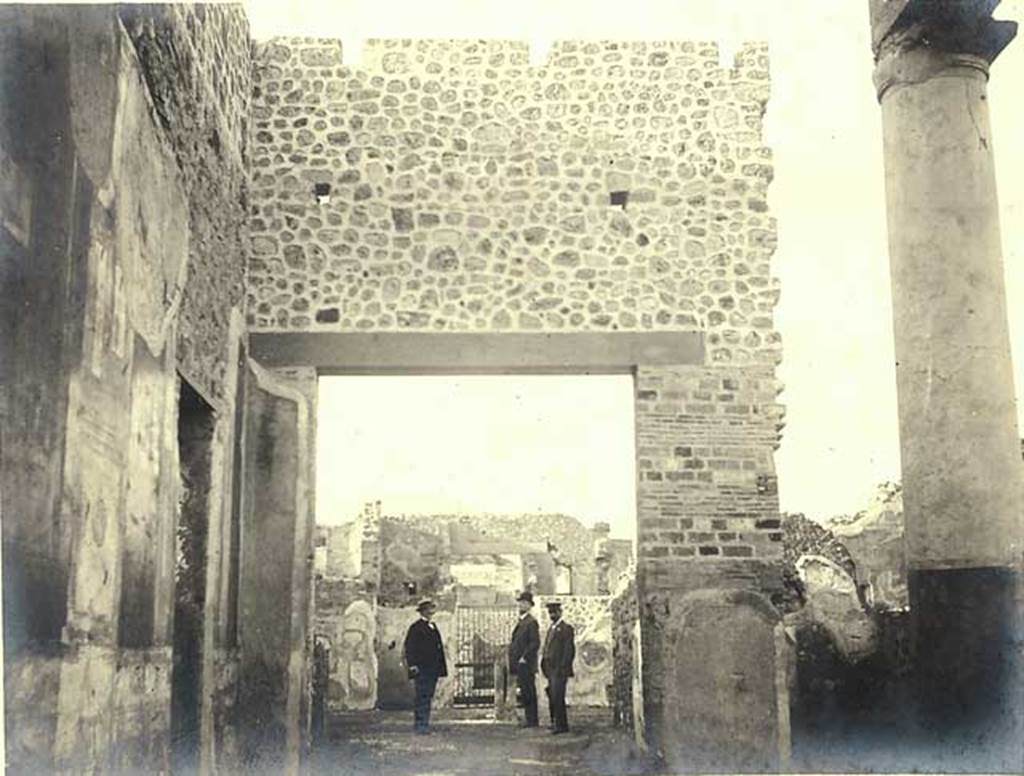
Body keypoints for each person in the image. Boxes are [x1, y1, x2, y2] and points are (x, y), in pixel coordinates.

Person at [403, 598, 448, 734]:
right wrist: (413, 665)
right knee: (422, 697)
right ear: (422, 612)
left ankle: (424, 723)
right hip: (422, 668)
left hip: (432, 669)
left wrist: (440, 667)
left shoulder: (432, 626)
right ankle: (420, 726)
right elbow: (410, 647)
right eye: (428, 609)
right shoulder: (416, 628)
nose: (431, 612)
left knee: (428, 696)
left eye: (432, 610)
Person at [540, 600, 575, 734]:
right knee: (552, 695)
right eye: (550, 613)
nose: (552, 615)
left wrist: (563, 667)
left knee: (558, 696)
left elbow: (569, 650)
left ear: (560, 613)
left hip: (559, 669)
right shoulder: (551, 629)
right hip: (550, 668)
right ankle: (555, 722)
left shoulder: (566, 629)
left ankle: (561, 725)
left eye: (554, 612)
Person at [508, 591, 540, 728]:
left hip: (526, 663)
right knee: (524, 691)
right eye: (520, 602)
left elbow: (535, 643)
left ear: (529, 605)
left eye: (524, 603)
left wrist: (524, 657)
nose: (521, 605)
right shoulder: (522, 621)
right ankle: (529, 719)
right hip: (520, 663)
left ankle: (532, 720)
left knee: (529, 691)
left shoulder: (531, 622)